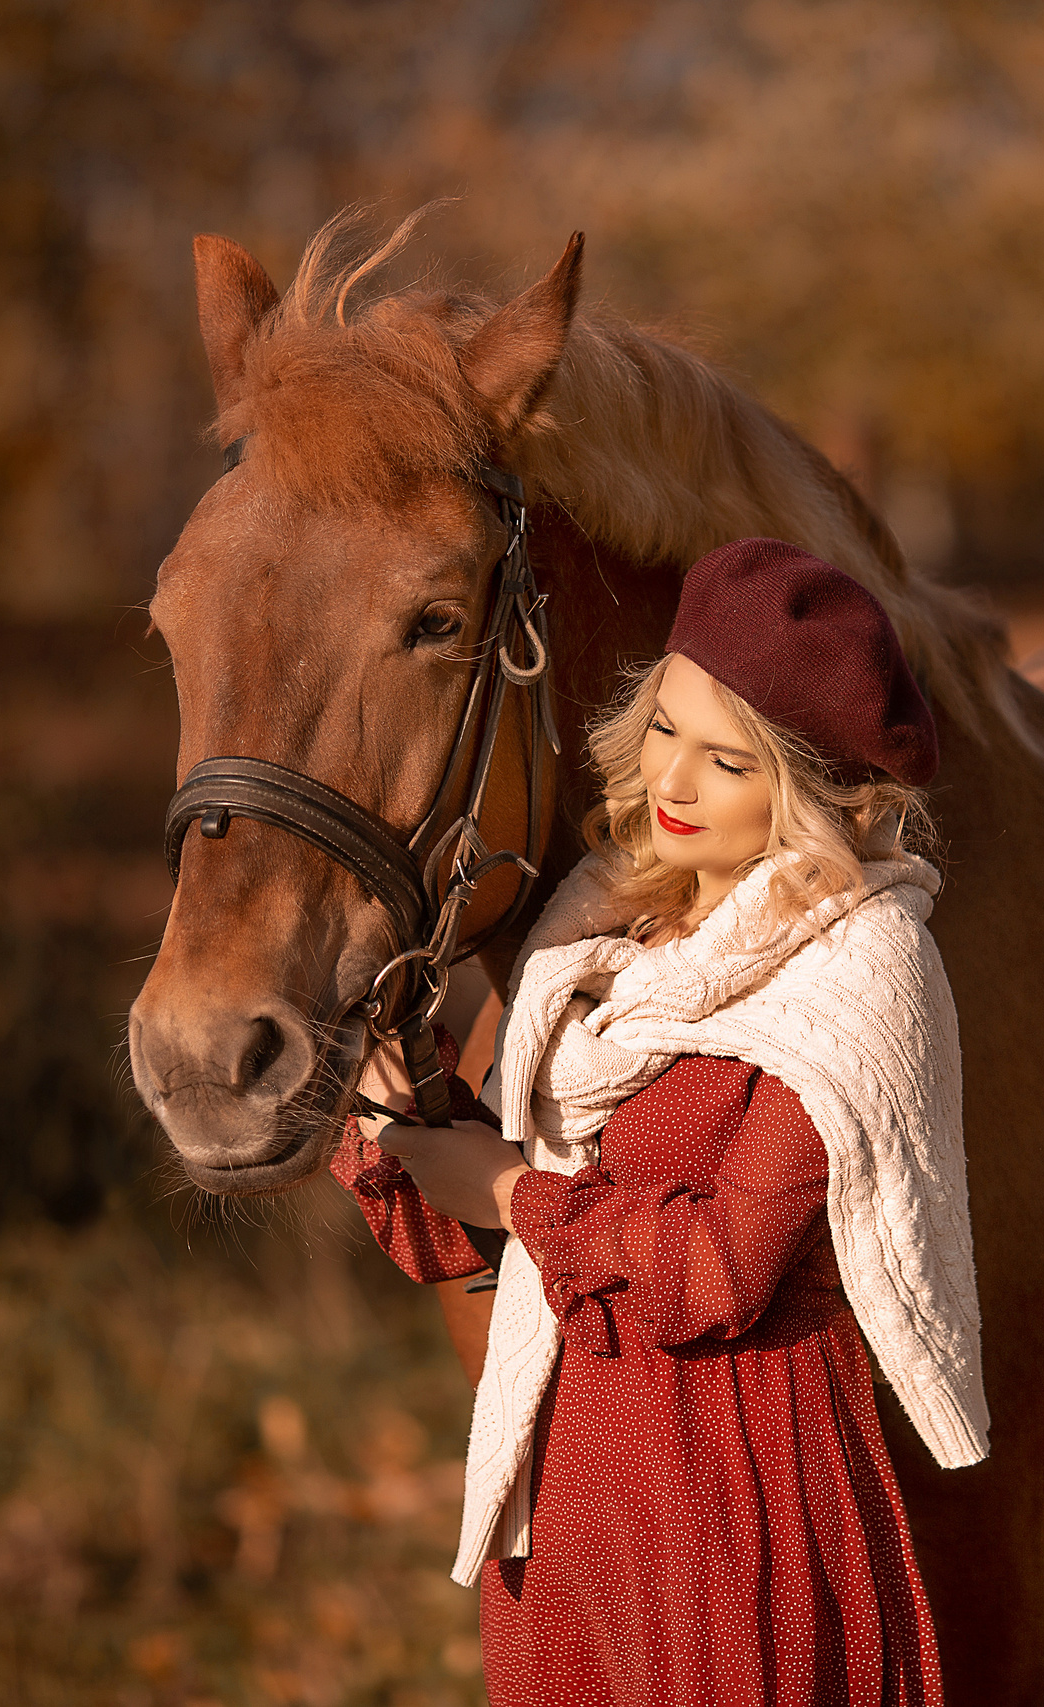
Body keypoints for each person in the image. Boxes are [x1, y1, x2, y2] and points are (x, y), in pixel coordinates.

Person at [334, 537, 987, 1706]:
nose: (672, 782)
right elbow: (498, 1246)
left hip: (731, 1491)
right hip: (570, 1487)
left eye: (727, 761)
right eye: (666, 728)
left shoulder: (854, 974)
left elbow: (714, 1272)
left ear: (809, 791)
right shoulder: (608, 936)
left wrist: (504, 1188)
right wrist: (399, 1118)